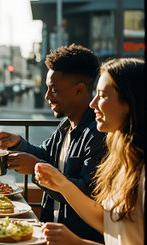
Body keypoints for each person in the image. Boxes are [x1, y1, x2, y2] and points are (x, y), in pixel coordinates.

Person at [0, 44, 105, 242]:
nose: (47, 96)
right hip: (50, 232)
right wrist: (19, 143)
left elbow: (86, 194)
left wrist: (35, 168)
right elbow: (45, 155)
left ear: (79, 90)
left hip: (76, 238)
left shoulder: (98, 134)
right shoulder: (65, 126)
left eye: (54, 90)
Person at [36, 58, 145, 245]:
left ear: (130, 102)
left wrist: (77, 243)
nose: (93, 103)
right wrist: (61, 184)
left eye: (102, 96)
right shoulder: (124, 161)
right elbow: (109, 223)